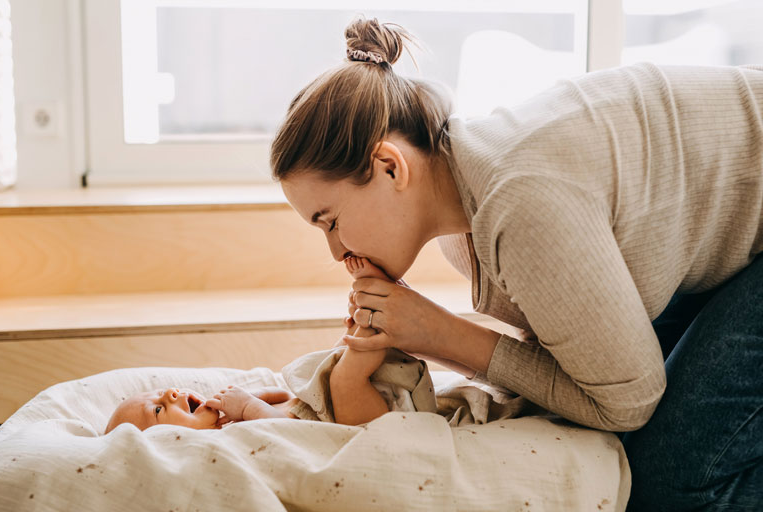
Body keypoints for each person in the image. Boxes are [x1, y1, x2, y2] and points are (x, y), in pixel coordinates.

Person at [269, 16, 763, 511]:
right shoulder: (462, 226)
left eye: (330, 222)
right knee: (625, 457)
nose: (337, 253)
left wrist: (439, 333)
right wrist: (420, 335)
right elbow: (567, 374)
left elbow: (628, 403)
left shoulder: (517, 204)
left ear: (390, 166)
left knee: (670, 488)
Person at [105, 257, 439, 433]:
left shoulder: (228, 421)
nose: (170, 394)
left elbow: (286, 397)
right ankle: (377, 317)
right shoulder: (224, 443)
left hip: (336, 410)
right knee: (342, 379)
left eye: (160, 393)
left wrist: (254, 399)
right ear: (171, 442)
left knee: (332, 362)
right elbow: (286, 432)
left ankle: (369, 318)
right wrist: (249, 408)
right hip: (361, 426)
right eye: (159, 409)